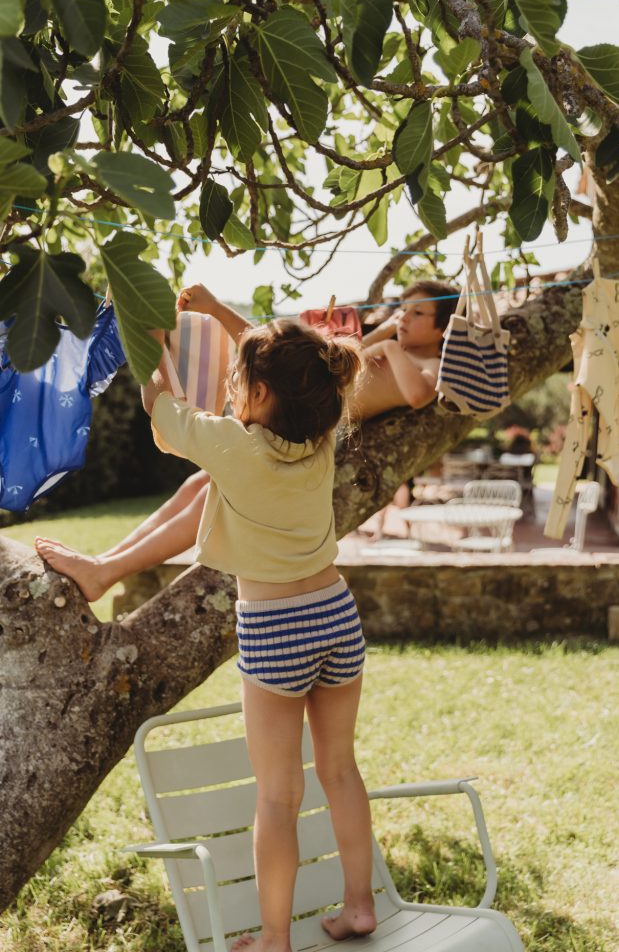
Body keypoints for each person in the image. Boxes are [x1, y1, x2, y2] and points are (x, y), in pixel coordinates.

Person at [154, 313, 374, 952]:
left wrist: (150, 343)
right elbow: (299, 366)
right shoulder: (322, 437)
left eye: (238, 378)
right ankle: (360, 907)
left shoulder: (231, 444)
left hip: (275, 627)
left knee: (278, 796)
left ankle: (275, 940)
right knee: (340, 770)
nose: (229, 386)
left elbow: (159, 408)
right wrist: (227, 317)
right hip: (335, 612)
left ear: (257, 392)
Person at [34, 280, 456, 600]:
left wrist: (154, 345)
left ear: (442, 328)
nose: (404, 317)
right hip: (297, 433)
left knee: (211, 496)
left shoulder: (426, 362)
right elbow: (274, 359)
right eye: (403, 309)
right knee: (198, 485)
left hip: (310, 447)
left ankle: (106, 571)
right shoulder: (325, 390)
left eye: (419, 313)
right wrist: (218, 310)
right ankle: (105, 562)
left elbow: (419, 394)